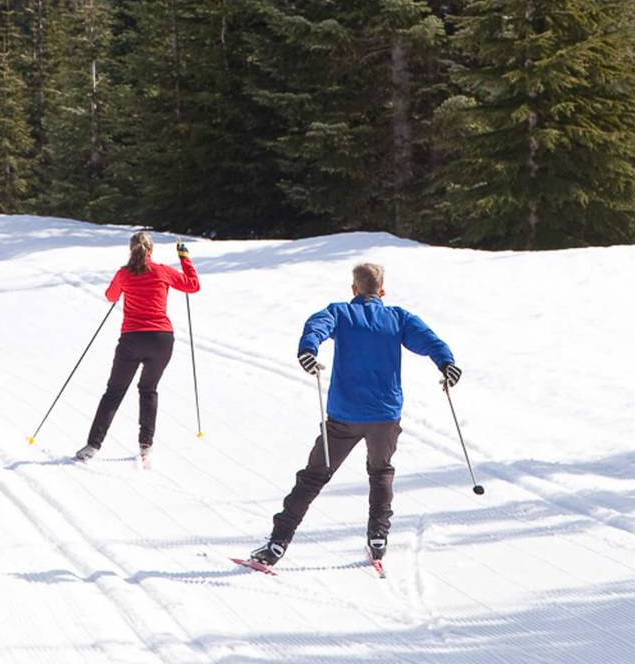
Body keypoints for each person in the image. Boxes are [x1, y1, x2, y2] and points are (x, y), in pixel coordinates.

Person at [247, 262, 461, 568]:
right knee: (381, 471)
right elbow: (429, 340)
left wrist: (308, 351)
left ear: (354, 289)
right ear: (382, 290)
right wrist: (446, 363)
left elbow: (316, 326)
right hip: (385, 415)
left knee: (313, 476)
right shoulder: (398, 318)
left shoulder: (341, 312)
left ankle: (278, 543)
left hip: (345, 416)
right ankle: (378, 537)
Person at [76, 232, 199, 463]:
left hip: (132, 340)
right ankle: (145, 444)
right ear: (150, 250)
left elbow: (110, 296)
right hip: (162, 340)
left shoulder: (124, 273)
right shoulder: (163, 271)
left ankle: (92, 445)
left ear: (131, 250)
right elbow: (193, 286)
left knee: (114, 393)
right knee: (148, 389)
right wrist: (184, 258)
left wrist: (124, 288)